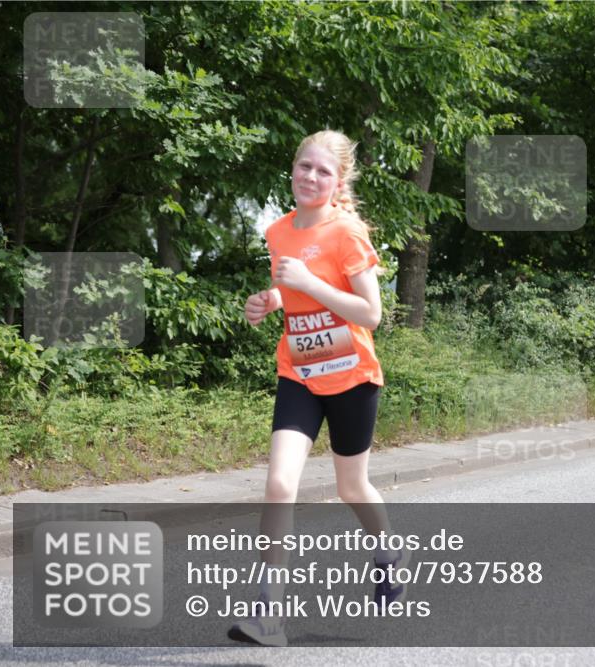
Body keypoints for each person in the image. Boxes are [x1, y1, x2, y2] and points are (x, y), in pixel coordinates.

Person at [230, 129, 404, 646]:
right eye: (304, 166)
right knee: (280, 484)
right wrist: (270, 302)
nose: (311, 177)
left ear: (338, 181)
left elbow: (369, 312)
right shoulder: (277, 232)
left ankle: (388, 550)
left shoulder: (347, 232)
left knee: (352, 487)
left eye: (323, 171)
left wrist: (307, 283)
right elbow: (293, 292)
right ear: (292, 169)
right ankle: (268, 615)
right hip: (299, 375)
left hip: (352, 378)